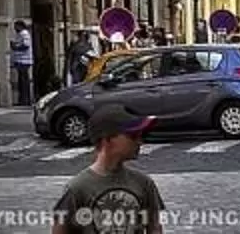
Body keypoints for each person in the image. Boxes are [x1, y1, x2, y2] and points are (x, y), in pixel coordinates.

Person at [50, 98, 163, 234]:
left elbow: (154, 227)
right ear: (108, 140)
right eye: (133, 136)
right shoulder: (78, 188)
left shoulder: (144, 184)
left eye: (141, 135)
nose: (140, 141)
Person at [9, 22, 34, 109]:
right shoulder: (21, 34)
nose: (15, 28)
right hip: (21, 60)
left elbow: (26, 45)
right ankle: (23, 99)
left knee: (23, 81)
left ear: (20, 26)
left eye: (16, 26)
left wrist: (15, 47)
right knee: (22, 81)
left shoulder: (24, 34)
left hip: (24, 61)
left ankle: (25, 100)